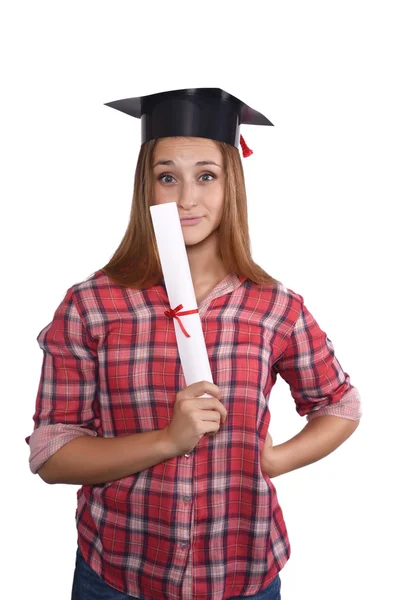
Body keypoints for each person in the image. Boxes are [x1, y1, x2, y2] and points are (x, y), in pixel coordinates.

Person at [25, 87, 362, 600]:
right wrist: (167, 440)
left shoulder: (275, 308)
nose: (186, 198)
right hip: (118, 574)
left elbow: (339, 403)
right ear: (147, 188)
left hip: (242, 573)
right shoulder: (91, 305)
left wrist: (277, 460)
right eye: (167, 177)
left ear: (232, 185)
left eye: (206, 175)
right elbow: (52, 454)